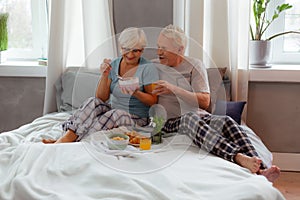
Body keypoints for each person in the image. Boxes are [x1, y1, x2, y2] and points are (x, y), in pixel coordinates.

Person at [152, 24, 280, 182]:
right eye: (158, 47)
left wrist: (174, 89)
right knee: (190, 118)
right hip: (168, 122)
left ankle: (261, 169)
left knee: (226, 121)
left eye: (164, 48)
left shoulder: (195, 65)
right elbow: (126, 66)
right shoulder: (153, 66)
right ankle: (238, 157)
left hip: (198, 115)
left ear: (180, 49)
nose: (159, 52)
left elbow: (204, 102)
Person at [43, 27, 158, 143]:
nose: (130, 54)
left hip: (137, 118)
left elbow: (153, 101)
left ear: (142, 50)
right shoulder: (114, 64)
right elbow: (101, 98)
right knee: (92, 102)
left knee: (114, 114)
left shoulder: (147, 68)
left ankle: (70, 141)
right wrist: (105, 75)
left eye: (135, 50)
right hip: (112, 110)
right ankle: (67, 137)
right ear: (120, 47)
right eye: (126, 49)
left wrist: (136, 93)